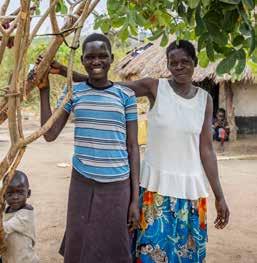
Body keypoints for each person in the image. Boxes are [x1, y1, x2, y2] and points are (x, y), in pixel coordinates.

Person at [50, 38, 230, 262]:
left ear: (195, 62)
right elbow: (108, 86)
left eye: (185, 61)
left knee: (187, 256)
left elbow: (206, 150)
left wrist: (219, 196)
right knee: (149, 256)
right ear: (167, 64)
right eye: (173, 63)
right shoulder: (154, 87)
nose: (179, 67)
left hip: (190, 192)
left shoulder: (206, 100)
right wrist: (67, 73)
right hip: (155, 190)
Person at [37, 33, 140, 263]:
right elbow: (50, 134)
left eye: (102, 56)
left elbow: (133, 148)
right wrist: (43, 90)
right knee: (79, 243)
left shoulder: (125, 96)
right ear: (82, 60)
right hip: (82, 182)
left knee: (116, 247)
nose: (96, 62)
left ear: (111, 58)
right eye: (90, 57)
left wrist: (135, 200)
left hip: (117, 185)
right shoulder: (75, 92)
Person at [1, 170, 38, 263]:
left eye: (20, 192)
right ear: (4, 195)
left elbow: (4, 228)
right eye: (10, 193)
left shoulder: (25, 216)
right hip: (11, 258)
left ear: (28, 193)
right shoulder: (7, 210)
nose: (15, 197)